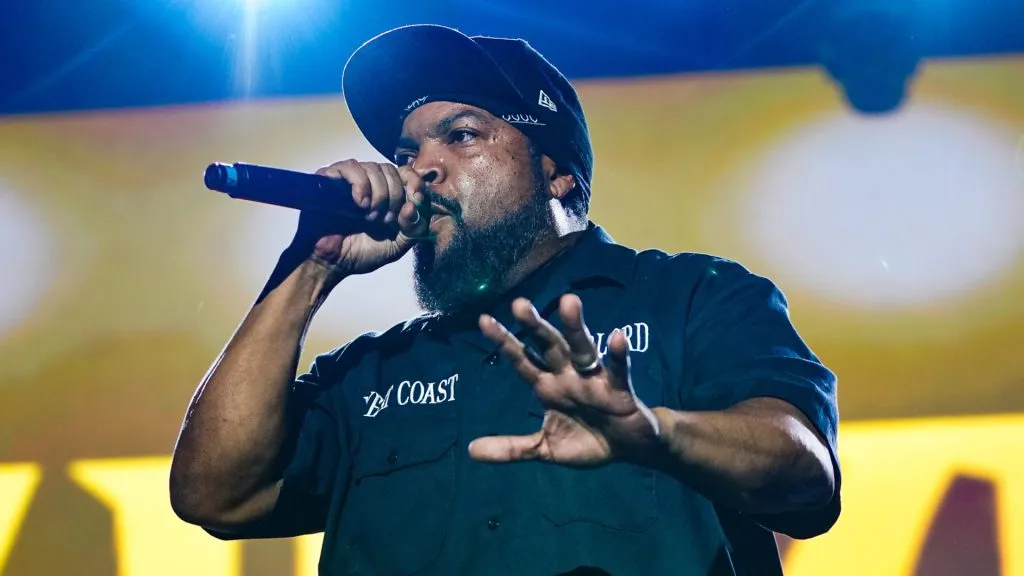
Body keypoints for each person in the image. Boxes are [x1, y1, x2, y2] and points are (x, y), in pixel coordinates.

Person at [169, 24, 841, 576]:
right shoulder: (367, 373)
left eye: (461, 136)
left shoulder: (693, 296)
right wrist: (312, 266)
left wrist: (655, 432)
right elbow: (215, 495)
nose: (421, 167)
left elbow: (806, 473)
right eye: (409, 150)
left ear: (556, 171)